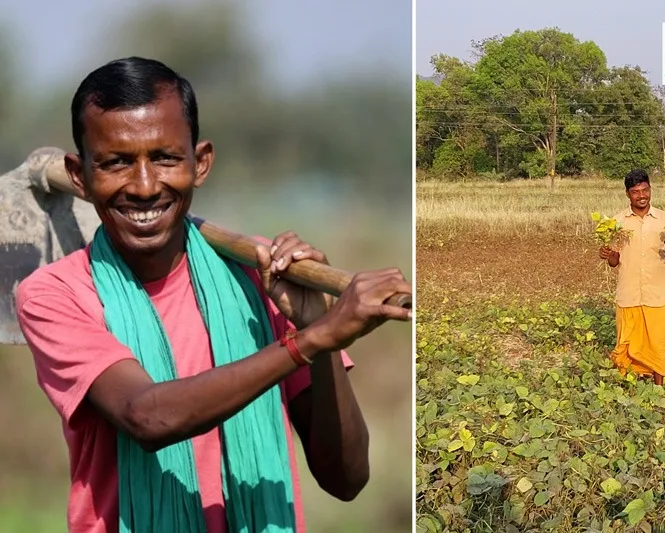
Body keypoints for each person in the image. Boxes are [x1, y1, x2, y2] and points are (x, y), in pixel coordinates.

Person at [14, 57, 412, 533]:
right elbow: (146, 417)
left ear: (199, 163)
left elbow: (345, 478)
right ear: (80, 176)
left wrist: (314, 330)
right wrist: (309, 342)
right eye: (117, 162)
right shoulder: (54, 294)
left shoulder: (260, 279)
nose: (144, 187)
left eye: (165, 158)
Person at [598, 169, 665, 386]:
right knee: (626, 344)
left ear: (650, 190)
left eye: (645, 190)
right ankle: (626, 386)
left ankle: (658, 387)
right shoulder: (616, 223)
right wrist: (609, 255)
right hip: (629, 294)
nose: (641, 195)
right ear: (627, 194)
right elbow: (614, 262)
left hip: (657, 295)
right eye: (636, 192)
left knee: (657, 343)